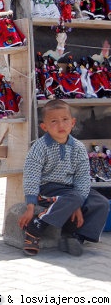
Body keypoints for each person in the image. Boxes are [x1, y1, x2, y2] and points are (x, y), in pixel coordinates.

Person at [19, 99, 109, 257]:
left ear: (73, 122)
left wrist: (78, 201)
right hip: (47, 189)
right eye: (54, 121)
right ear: (44, 127)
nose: (61, 125)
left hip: (72, 192)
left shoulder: (78, 148)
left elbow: (82, 178)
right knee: (73, 198)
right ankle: (36, 226)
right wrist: (31, 206)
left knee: (100, 202)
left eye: (65, 120)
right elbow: (31, 176)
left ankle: (75, 236)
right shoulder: (39, 147)